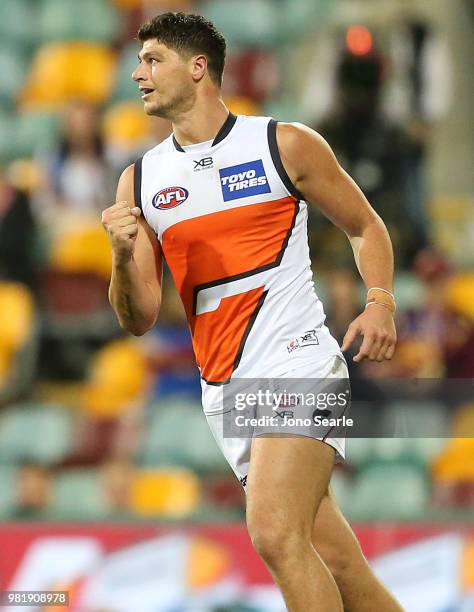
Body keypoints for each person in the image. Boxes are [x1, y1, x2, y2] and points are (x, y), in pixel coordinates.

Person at [102, 12, 401, 611]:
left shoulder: (281, 143)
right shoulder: (139, 181)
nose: (137, 74)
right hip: (225, 389)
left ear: (198, 67)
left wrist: (380, 302)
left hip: (296, 362)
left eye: (152, 59)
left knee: (273, 533)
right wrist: (120, 254)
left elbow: (364, 225)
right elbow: (137, 318)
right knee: (338, 562)